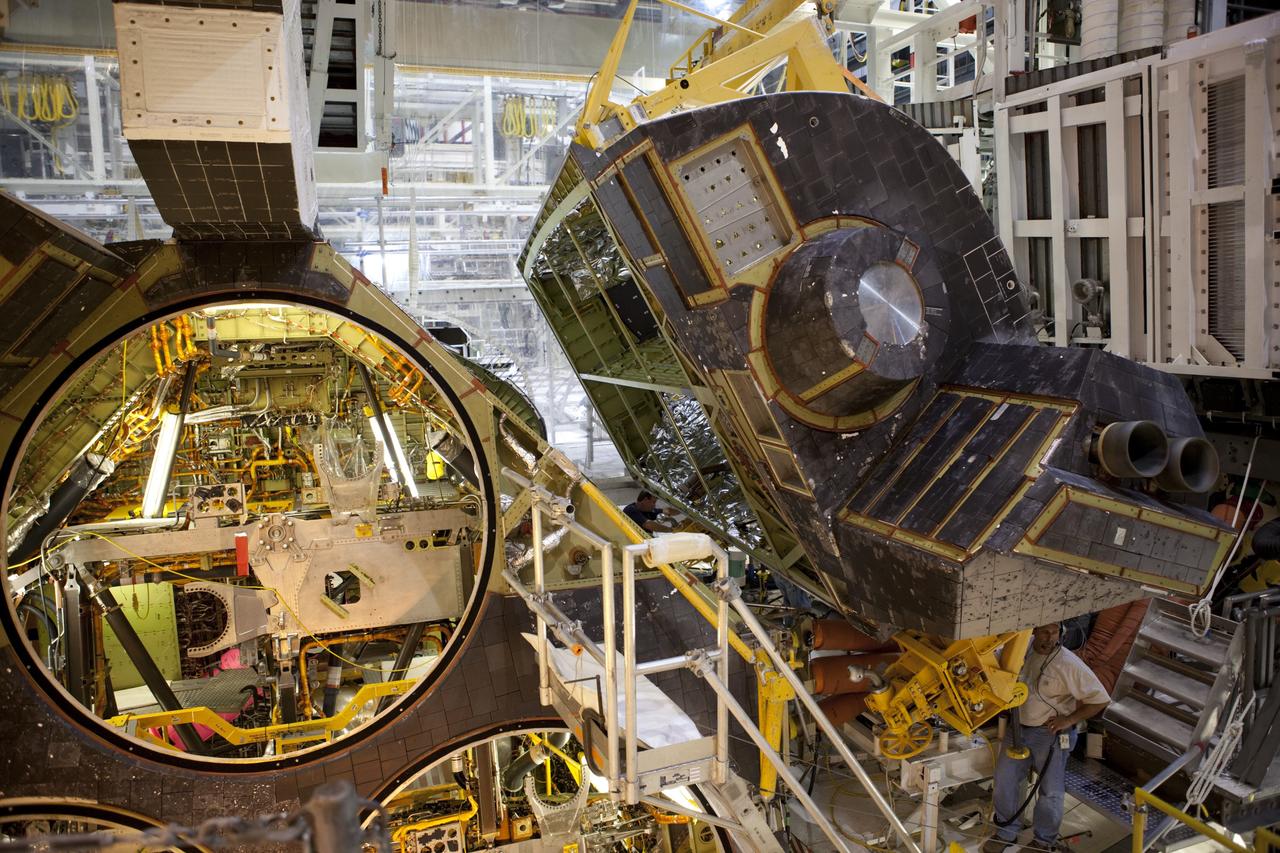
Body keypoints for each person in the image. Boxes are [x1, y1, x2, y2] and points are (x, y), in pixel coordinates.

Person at [984, 622, 1110, 853]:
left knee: (1050, 790)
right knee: (1004, 780)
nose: (1050, 638)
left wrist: (1068, 720)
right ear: (1033, 631)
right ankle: (1006, 831)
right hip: (1017, 727)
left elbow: (1100, 699)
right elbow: (996, 661)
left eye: (1054, 632)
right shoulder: (1024, 647)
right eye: (1044, 632)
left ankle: (1043, 841)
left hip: (1049, 734)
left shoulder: (1068, 664)